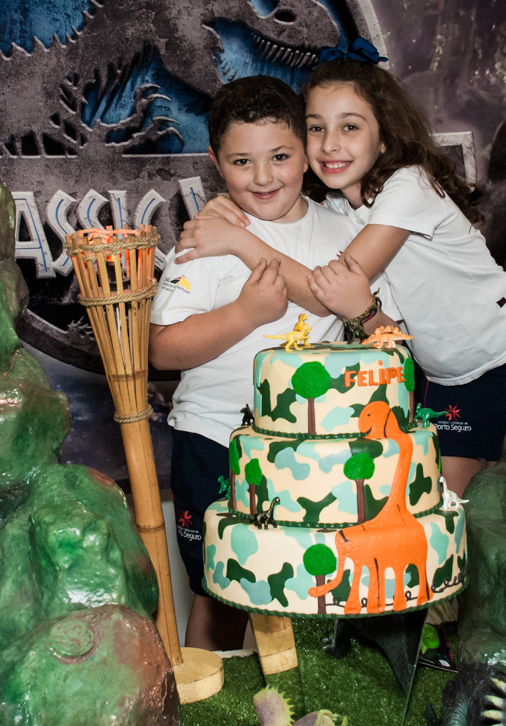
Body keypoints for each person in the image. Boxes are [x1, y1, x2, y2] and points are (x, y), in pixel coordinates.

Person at [176, 46, 506, 499]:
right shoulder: (338, 211)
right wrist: (227, 205)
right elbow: (374, 320)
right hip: (442, 379)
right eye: (316, 128)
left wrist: (235, 239)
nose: (330, 144)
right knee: (446, 513)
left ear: (383, 137)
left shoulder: (409, 186)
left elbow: (326, 292)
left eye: (350, 127)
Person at [149, 74, 398, 651]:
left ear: (306, 155)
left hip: (314, 454)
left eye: (280, 157)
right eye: (243, 161)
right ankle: (209, 696)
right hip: (214, 439)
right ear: (216, 162)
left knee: (309, 585)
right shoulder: (208, 236)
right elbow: (161, 349)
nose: (263, 177)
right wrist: (245, 313)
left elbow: (381, 329)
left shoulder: (348, 231)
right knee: (220, 591)